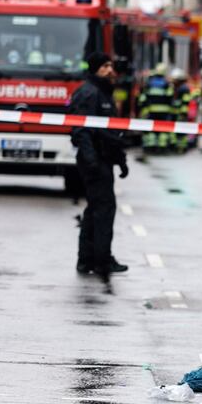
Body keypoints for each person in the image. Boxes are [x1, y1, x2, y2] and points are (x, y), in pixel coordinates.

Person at [68, 53, 129, 276]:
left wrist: (121, 160)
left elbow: (111, 132)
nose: (110, 70)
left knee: (96, 209)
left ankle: (88, 260)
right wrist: (91, 159)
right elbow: (81, 130)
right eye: (105, 66)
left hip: (103, 159)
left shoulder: (103, 92)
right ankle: (101, 261)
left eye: (111, 66)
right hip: (94, 160)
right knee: (103, 209)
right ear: (96, 69)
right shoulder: (88, 93)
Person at [140, 63, 172, 152]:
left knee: (151, 128)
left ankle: (151, 146)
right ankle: (162, 146)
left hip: (152, 110)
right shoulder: (166, 84)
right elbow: (170, 96)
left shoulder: (150, 83)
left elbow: (143, 96)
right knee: (163, 129)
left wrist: (143, 107)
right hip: (164, 111)